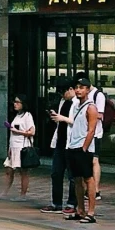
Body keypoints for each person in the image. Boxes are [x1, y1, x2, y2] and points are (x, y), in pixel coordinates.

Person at [64, 76, 102, 222]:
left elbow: (91, 130)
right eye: (77, 87)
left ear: (87, 89)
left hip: (83, 148)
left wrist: (84, 148)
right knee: (76, 180)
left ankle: (91, 212)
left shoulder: (91, 107)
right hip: (72, 146)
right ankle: (80, 210)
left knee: (88, 179)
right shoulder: (76, 105)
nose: (79, 90)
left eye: (82, 87)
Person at [42, 85, 73, 214]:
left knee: (72, 176)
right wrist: (56, 117)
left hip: (72, 144)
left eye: (63, 92)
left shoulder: (78, 103)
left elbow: (79, 122)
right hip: (60, 142)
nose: (62, 95)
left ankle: (72, 203)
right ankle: (56, 203)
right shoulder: (62, 102)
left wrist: (63, 118)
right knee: (56, 174)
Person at [2, 94, 35, 200]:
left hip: (22, 147)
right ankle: (4, 193)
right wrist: (10, 148)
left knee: (23, 172)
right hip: (14, 146)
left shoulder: (27, 116)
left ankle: (23, 194)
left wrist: (18, 131)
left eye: (17, 102)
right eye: (14, 102)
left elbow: (32, 132)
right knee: (9, 170)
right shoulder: (16, 116)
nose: (15, 104)